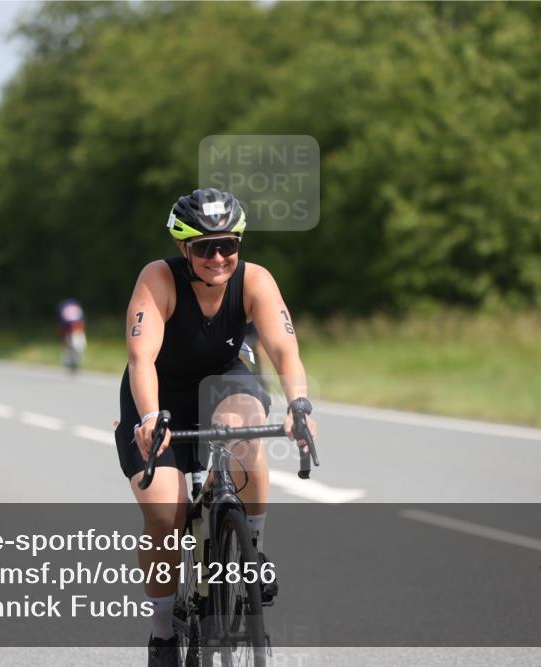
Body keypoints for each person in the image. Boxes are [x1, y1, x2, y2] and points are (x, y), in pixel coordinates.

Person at [115, 188, 317, 666]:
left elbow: (284, 351)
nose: (219, 256)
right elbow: (141, 356)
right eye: (205, 247)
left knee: (246, 427)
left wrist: (298, 405)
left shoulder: (254, 281)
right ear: (184, 248)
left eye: (228, 244)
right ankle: (163, 633)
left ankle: (255, 552)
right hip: (157, 394)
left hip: (222, 380)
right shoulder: (158, 279)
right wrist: (147, 419)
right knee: (165, 517)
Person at [56, 298, 87, 372]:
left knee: (79, 348)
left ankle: (74, 362)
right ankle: (70, 362)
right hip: (70, 331)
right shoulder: (70, 308)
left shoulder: (66, 308)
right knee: (70, 348)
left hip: (77, 331)